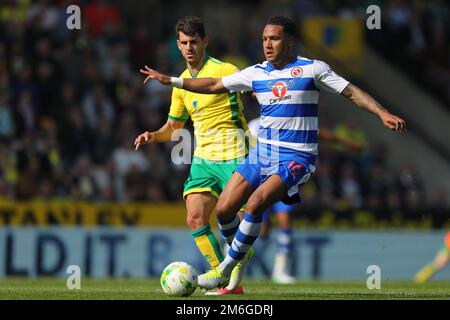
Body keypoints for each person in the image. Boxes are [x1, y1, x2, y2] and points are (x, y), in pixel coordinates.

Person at [139, 15, 406, 290]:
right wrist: (171, 80)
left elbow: (350, 92)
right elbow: (211, 86)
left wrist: (382, 113)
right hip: (261, 154)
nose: (268, 44)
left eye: (274, 38)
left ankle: (225, 269)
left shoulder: (312, 69)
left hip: (296, 156)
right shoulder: (255, 73)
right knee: (223, 210)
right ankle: (238, 259)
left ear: (289, 41)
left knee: (255, 204)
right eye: (265, 39)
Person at [134, 16, 251, 295]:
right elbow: (174, 128)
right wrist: (153, 134)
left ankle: (237, 259)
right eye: (184, 43)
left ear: (205, 42)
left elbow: (255, 89)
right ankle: (222, 275)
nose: (189, 48)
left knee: (239, 218)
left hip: (235, 153)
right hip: (202, 160)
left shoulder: (225, 70)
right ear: (178, 44)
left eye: (194, 42)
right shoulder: (182, 84)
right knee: (195, 217)